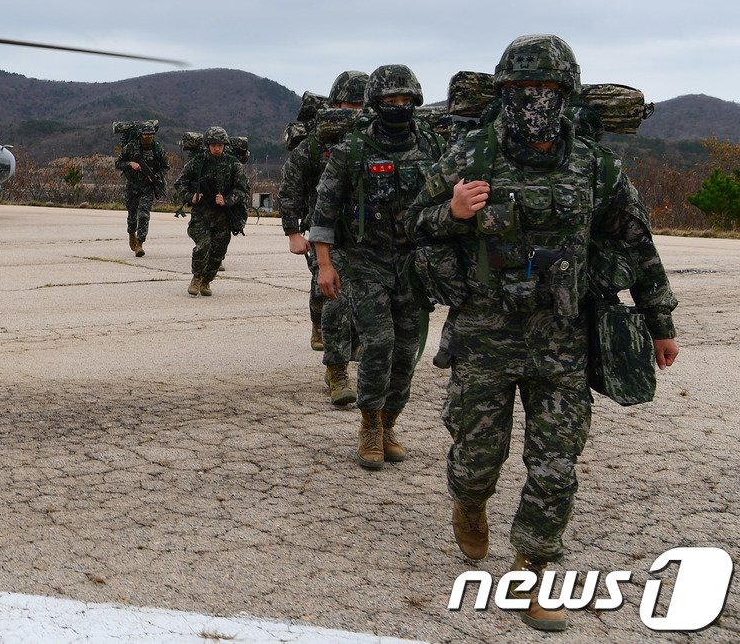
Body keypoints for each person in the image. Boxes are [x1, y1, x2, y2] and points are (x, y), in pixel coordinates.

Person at [409, 34, 679, 632]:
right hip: (484, 335)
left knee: (556, 464)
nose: (536, 99)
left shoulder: (593, 163)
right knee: (478, 457)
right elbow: (414, 226)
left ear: (567, 95)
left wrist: (659, 322)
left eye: (549, 89)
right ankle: (470, 500)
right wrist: (450, 212)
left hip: (562, 337)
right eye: (522, 89)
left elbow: (636, 242)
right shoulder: (469, 156)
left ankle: (535, 568)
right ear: (503, 92)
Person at [307, 65, 442, 469]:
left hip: (412, 263)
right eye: (390, 101)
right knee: (378, 343)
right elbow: (324, 212)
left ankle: (389, 423)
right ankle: (368, 424)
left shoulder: (432, 147)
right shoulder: (352, 150)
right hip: (363, 262)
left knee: (406, 351)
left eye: (405, 100)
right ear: (375, 104)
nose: (398, 107)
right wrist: (325, 266)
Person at [280, 70, 367, 405]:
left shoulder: (376, 138)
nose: (355, 111)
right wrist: (292, 232)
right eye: (349, 104)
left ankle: (359, 355)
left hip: (369, 236)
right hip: (326, 234)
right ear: (335, 104)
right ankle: (337, 371)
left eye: (362, 105)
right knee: (335, 298)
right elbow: (290, 188)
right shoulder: (316, 144)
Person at [175, 126, 249, 296]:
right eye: (214, 145)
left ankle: (207, 281)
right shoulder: (198, 162)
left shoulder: (233, 164)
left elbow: (242, 189)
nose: (217, 148)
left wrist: (227, 200)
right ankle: (197, 277)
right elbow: (180, 183)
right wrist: (190, 196)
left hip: (223, 216)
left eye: (220, 145)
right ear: (208, 145)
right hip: (201, 214)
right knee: (203, 245)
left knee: (218, 252)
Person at [115, 122, 168, 257]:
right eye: (145, 134)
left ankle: (140, 243)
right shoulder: (131, 147)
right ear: (140, 135)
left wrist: (156, 176)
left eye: (151, 134)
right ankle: (132, 234)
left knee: (143, 214)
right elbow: (118, 163)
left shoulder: (157, 149)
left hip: (147, 186)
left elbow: (165, 166)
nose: (148, 137)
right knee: (132, 215)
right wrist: (130, 164)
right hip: (132, 185)